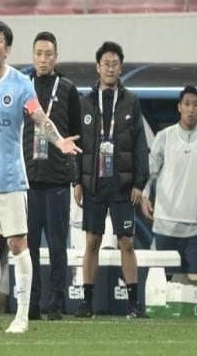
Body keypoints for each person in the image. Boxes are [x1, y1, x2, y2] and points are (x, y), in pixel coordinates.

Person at [0, 20, 80, 334]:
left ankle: (22, 317)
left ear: (8, 49)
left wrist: (60, 141)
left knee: (18, 245)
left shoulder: (20, 84)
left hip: (12, 179)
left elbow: (40, 118)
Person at [74, 41, 149, 318]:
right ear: (97, 67)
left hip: (122, 185)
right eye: (105, 63)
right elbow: (77, 145)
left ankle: (134, 305)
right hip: (94, 184)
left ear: (121, 68)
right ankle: (87, 304)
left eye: (114, 64)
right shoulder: (84, 102)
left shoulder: (131, 101)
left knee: (126, 243)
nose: (110, 68)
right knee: (92, 242)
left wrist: (139, 183)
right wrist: (77, 181)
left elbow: (140, 144)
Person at [22, 31, 81, 321]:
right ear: (32, 56)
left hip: (57, 179)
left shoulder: (68, 88)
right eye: (38, 54)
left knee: (58, 246)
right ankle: (31, 304)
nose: (43, 59)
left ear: (56, 57)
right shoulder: (22, 86)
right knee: (29, 247)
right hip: (29, 180)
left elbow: (76, 135)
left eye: (48, 54)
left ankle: (56, 304)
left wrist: (76, 178)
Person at [142, 86, 197, 274]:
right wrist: (144, 196)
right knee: (165, 284)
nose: (191, 109)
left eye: (195, 105)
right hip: (165, 225)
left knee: (196, 284)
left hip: (196, 228)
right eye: (187, 104)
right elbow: (149, 171)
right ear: (179, 107)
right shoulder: (165, 136)